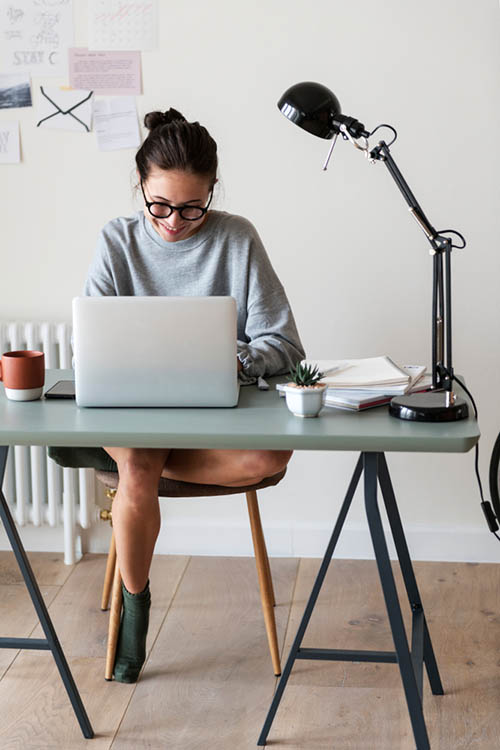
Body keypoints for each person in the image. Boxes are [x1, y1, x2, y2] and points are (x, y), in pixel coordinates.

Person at [51, 107, 305, 683]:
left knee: (268, 458)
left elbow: (285, 344)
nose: (174, 221)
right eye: (159, 205)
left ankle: (126, 468)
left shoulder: (237, 238)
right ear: (140, 185)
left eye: (193, 207)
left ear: (213, 191)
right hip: (132, 413)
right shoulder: (116, 240)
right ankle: (134, 604)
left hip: (212, 413)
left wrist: (235, 358)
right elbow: (89, 340)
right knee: (139, 464)